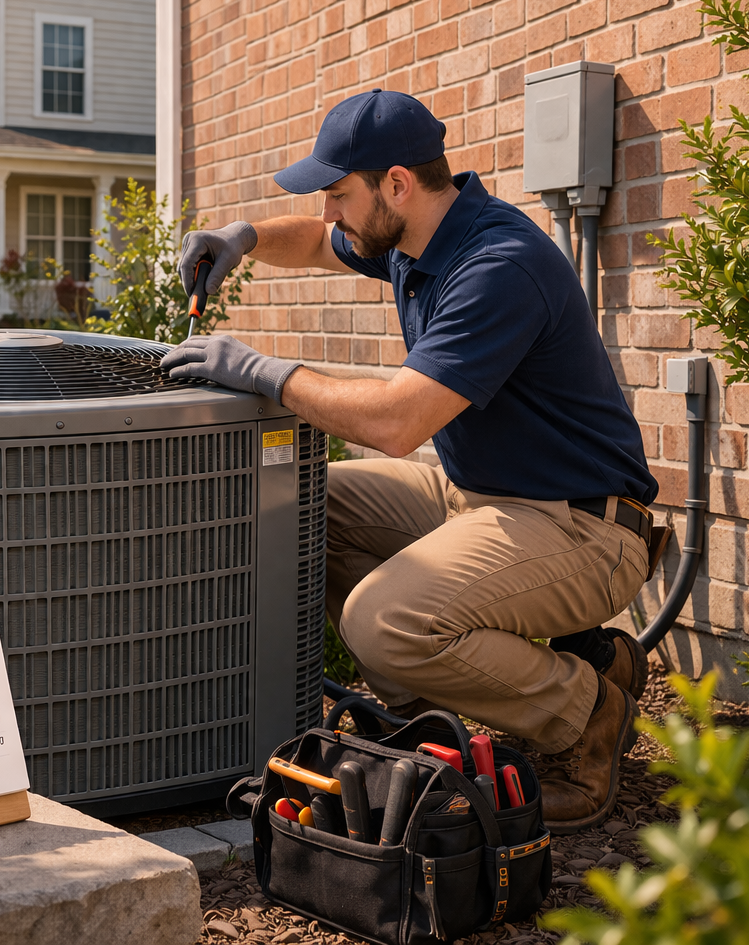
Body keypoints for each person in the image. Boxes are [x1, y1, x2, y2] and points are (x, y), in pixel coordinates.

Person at [160, 88, 661, 833]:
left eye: (338, 194)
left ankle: (586, 713)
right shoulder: (413, 236)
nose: (329, 211)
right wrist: (243, 237)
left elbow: (395, 423)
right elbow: (315, 241)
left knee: (384, 623)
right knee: (296, 504)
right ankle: (428, 719)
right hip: (479, 495)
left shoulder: (497, 265)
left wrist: (263, 371)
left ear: (396, 184)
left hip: (583, 527)